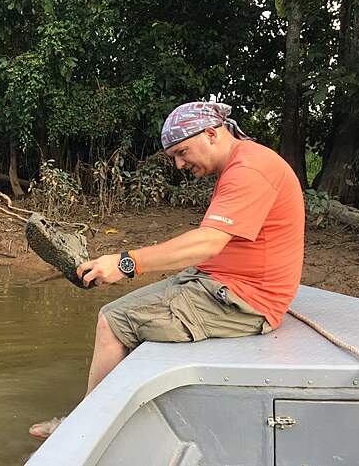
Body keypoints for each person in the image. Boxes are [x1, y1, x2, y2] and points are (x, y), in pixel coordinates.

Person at [29, 101, 305, 439]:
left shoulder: (251, 169)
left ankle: (82, 430)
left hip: (243, 301)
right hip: (214, 283)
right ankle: (116, 413)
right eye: (174, 155)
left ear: (210, 134)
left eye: (182, 151)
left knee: (112, 323)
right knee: (121, 314)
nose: (179, 164)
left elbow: (208, 243)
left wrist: (127, 263)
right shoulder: (244, 162)